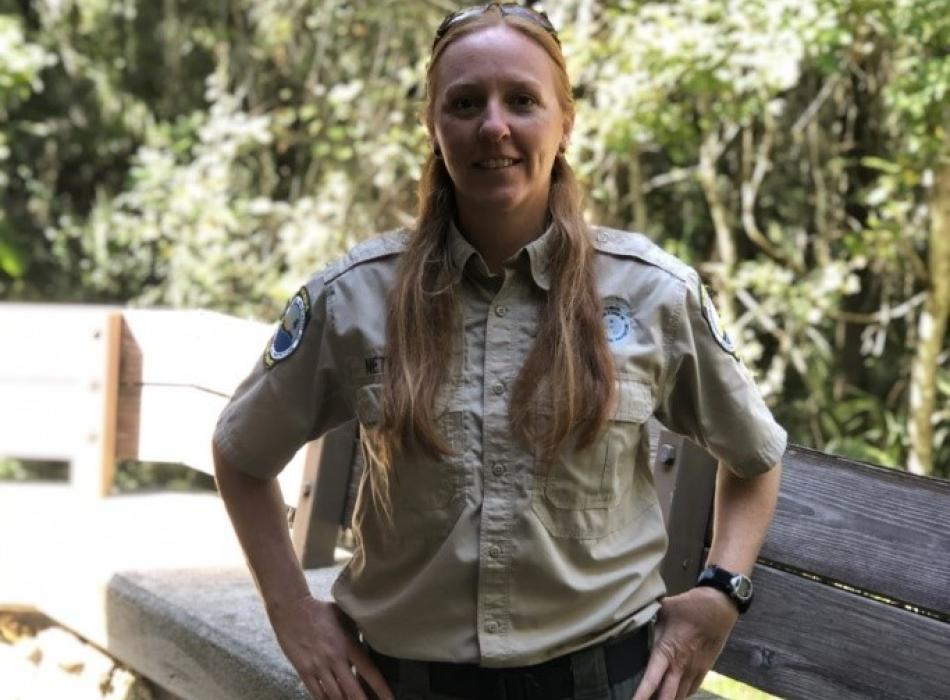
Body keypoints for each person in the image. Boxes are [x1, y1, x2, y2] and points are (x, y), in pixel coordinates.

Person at [212, 4, 786, 700]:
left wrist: (723, 590)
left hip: (607, 682)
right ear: (433, 126)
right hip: (400, 685)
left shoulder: (652, 294)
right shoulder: (354, 299)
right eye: (464, 103)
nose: (494, 127)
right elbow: (242, 454)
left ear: (564, 121)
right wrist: (291, 612)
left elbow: (755, 454)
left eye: (522, 99)